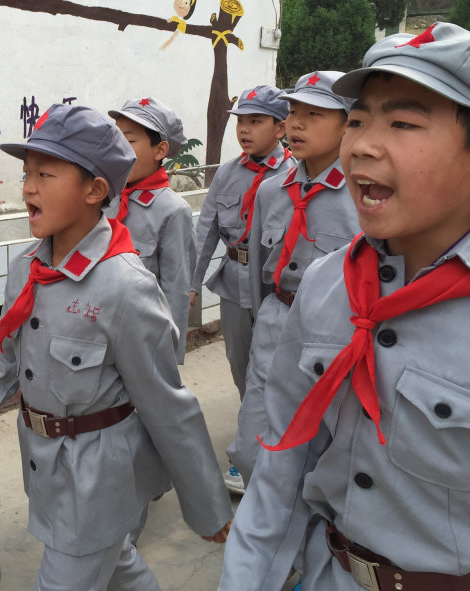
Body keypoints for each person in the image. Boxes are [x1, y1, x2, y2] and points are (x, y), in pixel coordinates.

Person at [0, 103, 233, 591]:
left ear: (95, 190)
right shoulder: (28, 269)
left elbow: (168, 404)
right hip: (48, 468)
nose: (29, 187)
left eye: (45, 173)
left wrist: (206, 506)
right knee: (120, 566)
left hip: (98, 480)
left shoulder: (124, 286)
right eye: (26, 174)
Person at [218, 22, 470, 591]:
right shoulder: (331, 285)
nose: (362, 145)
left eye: (402, 122)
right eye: (358, 120)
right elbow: (282, 466)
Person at [226, 72, 361, 487]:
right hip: (276, 320)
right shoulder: (272, 191)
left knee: (324, 453)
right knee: (251, 450)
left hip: (337, 336)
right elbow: (256, 276)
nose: (297, 124)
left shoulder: (364, 196)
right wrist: (261, 321)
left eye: (314, 114)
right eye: (293, 112)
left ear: (347, 125)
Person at [189, 85, 295, 494]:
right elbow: (206, 231)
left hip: (274, 287)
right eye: (241, 122)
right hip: (235, 282)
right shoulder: (228, 174)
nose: (245, 130)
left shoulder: (292, 175)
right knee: (240, 363)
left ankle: (263, 450)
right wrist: (191, 283)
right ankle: (251, 432)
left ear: (280, 126)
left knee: (272, 369)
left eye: (256, 121)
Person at [107, 97, 196, 364]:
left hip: (141, 340)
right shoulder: (105, 197)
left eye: (130, 140)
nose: (118, 148)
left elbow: (176, 292)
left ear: (160, 150)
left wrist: (167, 357)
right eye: (115, 137)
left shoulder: (172, 211)